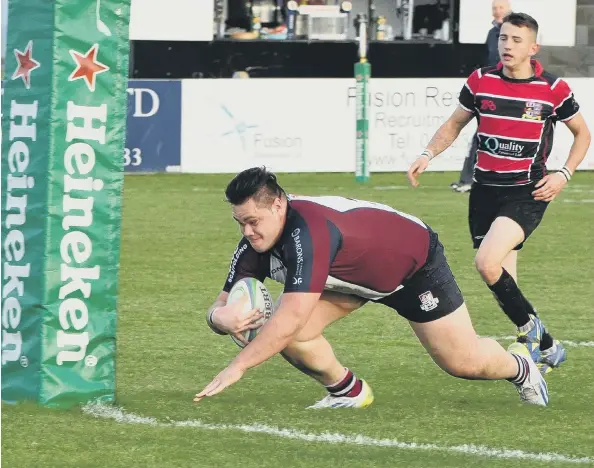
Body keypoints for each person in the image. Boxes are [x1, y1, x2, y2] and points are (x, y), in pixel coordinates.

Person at [194, 167, 549, 407]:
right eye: (240, 223)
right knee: (289, 334)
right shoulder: (253, 242)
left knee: (463, 362)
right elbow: (223, 303)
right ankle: (348, 393)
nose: (247, 232)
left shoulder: (309, 233)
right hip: (351, 277)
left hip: (412, 267)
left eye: (253, 222)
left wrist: (237, 366)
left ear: (278, 204)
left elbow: (289, 317)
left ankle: (521, 367)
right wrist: (219, 320)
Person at [407, 13, 591, 374]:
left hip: (526, 192)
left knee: (486, 263)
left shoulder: (553, 90)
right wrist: (428, 153)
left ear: (533, 47)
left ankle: (532, 333)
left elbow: (583, 133)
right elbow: (454, 124)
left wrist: (564, 174)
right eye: (504, 38)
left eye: (516, 40)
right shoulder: (480, 81)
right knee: (502, 277)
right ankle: (548, 348)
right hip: (484, 192)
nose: (507, 45)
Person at [451, 0, 512, 193]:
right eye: (494, 8)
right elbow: (489, 60)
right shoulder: (492, 33)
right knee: (482, 134)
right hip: (494, 90)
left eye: (501, 8)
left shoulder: (514, 32)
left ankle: (474, 179)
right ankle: (468, 179)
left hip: (511, 90)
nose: (497, 11)